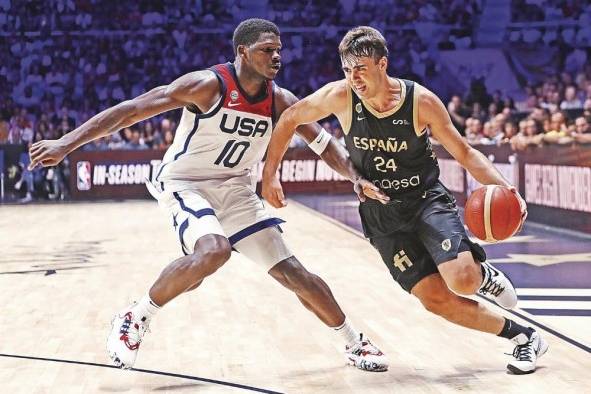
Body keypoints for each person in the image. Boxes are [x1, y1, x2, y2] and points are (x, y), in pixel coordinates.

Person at [28, 19, 388, 372]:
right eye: (267, 50)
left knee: (294, 274)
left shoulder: (280, 101)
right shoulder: (206, 85)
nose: (277, 57)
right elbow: (132, 111)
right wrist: (66, 143)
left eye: (279, 50)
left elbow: (324, 145)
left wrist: (355, 178)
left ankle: (354, 341)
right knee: (214, 251)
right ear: (242, 52)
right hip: (186, 183)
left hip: (236, 189)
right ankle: (135, 317)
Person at [262, 26, 548, 375]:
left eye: (362, 68)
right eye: (347, 70)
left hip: (425, 199)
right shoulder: (340, 96)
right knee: (435, 300)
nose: (354, 78)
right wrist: (270, 173)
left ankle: (480, 274)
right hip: (381, 213)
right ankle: (525, 337)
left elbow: (465, 152)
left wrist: (508, 190)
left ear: (383, 64)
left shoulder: (420, 101)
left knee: (462, 281)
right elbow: (289, 117)